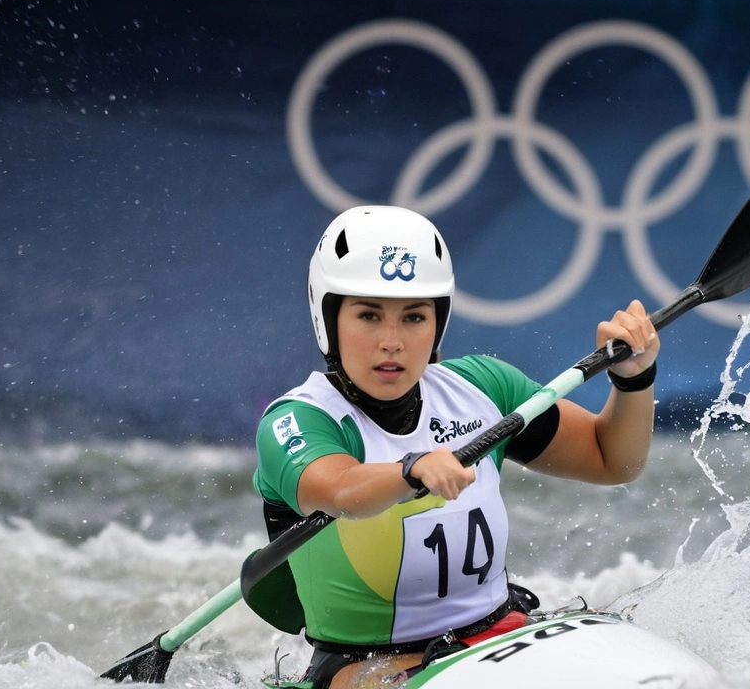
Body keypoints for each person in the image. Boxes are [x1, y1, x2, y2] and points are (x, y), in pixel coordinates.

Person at [252, 205, 660, 689]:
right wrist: (411, 468)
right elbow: (339, 488)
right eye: (367, 315)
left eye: (414, 317)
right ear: (329, 319)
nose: (392, 341)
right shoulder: (297, 420)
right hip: (366, 669)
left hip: (499, 635)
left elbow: (612, 460)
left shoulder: (483, 389)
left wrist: (634, 382)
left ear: (437, 323)